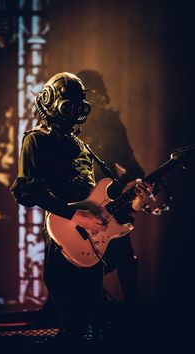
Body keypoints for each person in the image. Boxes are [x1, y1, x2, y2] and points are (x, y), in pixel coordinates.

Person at [10, 72, 151, 342]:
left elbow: (98, 203)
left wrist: (135, 202)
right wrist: (75, 215)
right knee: (72, 325)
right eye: (67, 105)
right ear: (50, 101)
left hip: (91, 243)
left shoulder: (84, 148)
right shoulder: (36, 140)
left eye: (78, 106)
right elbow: (26, 189)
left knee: (95, 324)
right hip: (63, 236)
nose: (73, 112)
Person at [77, 69, 145, 306]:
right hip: (74, 210)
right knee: (70, 264)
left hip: (111, 207)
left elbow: (132, 167)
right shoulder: (64, 126)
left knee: (125, 258)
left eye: (96, 94)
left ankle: (133, 317)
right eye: (86, 94)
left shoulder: (111, 125)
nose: (91, 100)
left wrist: (138, 189)